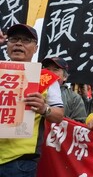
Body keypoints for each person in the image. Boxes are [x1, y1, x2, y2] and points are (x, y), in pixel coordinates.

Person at [0, 24, 64, 177]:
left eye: (26, 40)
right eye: (13, 39)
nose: (19, 44)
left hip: (20, 161)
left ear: (36, 48)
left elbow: (59, 115)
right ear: (6, 45)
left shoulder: (46, 77)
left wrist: (44, 108)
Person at [42, 57, 87, 123]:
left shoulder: (74, 98)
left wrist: (57, 116)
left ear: (65, 77)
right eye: (47, 69)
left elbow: (80, 123)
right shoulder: (35, 90)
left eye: (55, 70)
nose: (50, 73)